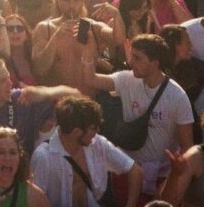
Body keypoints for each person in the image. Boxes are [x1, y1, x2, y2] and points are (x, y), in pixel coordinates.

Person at [83, 33, 194, 199]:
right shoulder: (127, 79)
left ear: (155, 63)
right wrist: (87, 53)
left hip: (160, 176)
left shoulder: (177, 96)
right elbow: (90, 80)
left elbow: (187, 147)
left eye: (137, 58)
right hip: (126, 170)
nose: (130, 62)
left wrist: (171, 181)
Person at [30, 95, 142, 207]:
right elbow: (33, 200)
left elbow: (135, 170)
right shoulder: (43, 157)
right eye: (93, 128)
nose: (98, 130)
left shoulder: (98, 144)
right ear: (76, 132)